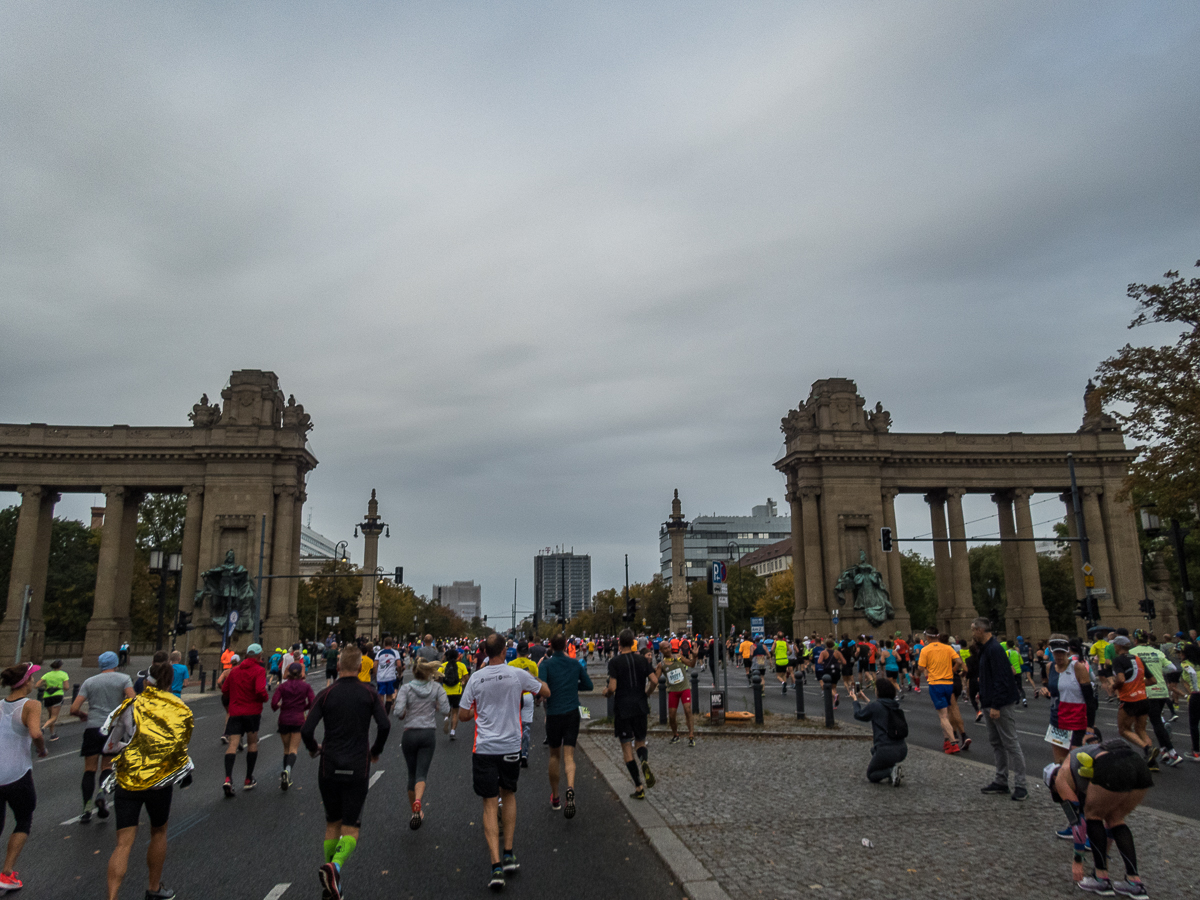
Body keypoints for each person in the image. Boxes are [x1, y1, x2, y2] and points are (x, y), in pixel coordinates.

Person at [456, 632, 549, 890]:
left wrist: (478, 711)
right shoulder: (516, 674)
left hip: (484, 746)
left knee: (488, 804)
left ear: (484, 651)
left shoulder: (476, 678)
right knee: (508, 795)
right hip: (510, 745)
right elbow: (546, 691)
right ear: (505, 651)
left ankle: (495, 866)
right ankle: (509, 853)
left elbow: (463, 715)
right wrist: (533, 679)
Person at [302, 645, 390, 900]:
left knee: (332, 823)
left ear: (338, 666)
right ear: (362, 667)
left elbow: (307, 729)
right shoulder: (369, 694)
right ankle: (335, 867)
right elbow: (384, 724)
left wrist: (313, 748)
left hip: (328, 765)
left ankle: (332, 882)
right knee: (351, 827)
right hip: (357, 765)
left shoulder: (326, 693)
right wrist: (375, 750)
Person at [103, 659, 194, 900]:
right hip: (159, 781)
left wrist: (131, 747)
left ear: (145, 681)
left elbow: (110, 746)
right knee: (158, 832)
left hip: (128, 778)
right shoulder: (180, 708)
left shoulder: (130, 706)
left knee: (123, 843)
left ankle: (112, 897)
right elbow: (180, 747)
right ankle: (154, 888)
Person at [1048, 739, 1153, 896]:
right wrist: (1104, 851)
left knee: (1093, 815)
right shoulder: (1077, 764)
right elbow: (1108, 829)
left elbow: (1078, 822)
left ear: (1052, 782)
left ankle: (1100, 878)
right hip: (1139, 767)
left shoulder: (1061, 778)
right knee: (1115, 819)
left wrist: (1078, 861)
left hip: (1112, 765)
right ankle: (1134, 882)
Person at [69, 651, 134, 822]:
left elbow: (73, 709)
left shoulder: (89, 682)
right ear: (115, 664)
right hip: (114, 728)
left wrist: (83, 715)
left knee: (89, 769)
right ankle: (101, 795)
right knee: (107, 767)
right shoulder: (124, 679)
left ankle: (86, 809)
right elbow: (132, 700)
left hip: (93, 727)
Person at [0, 663, 48, 892]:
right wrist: (41, 749)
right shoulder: (31, 705)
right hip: (17, 774)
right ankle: (7, 873)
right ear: (26, 682)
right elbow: (36, 732)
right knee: (23, 819)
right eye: (32, 678)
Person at [539, 632, 593, 817]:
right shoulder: (574, 663)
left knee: (554, 756)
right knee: (569, 755)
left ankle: (555, 797)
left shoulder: (546, 664)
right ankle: (570, 788)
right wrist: (572, 685)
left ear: (551, 646)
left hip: (554, 713)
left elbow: (542, 688)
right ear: (566, 645)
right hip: (572, 712)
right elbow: (589, 685)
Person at [972, 618, 1026, 800]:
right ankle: (1001, 780)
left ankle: (1021, 786)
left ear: (980, 630)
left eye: (973, 630)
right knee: (996, 743)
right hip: (989, 702)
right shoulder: (986, 649)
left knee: (1011, 743)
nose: (972, 633)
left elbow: (1003, 679)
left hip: (999, 704)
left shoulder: (994, 649)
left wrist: (995, 705)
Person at [603, 629, 658, 801]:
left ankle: (639, 787)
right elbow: (655, 680)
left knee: (626, 747)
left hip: (623, 708)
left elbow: (612, 687)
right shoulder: (643, 660)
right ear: (634, 643)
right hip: (640, 706)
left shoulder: (615, 662)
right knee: (640, 742)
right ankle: (644, 761)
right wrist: (647, 693)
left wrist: (606, 692)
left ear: (619, 644)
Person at [394, 658, 450, 830]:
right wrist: (436, 706)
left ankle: (415, 811)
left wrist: (405, 713)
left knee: (411, 774)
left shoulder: (406, 688)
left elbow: (398, 712)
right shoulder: (436, 688)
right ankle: (419, 800)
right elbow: (447, 710)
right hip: (428, 733)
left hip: (409, 733)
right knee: (421, 774)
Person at [1037, 634, 1094, 764]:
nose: (1059, 656)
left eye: (1062, 652)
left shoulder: (1077, 667)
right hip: (1057, 721)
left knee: (1076, 765)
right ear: (1051, 651)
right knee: (1060, 765)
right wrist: (1045, 690)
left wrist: (1090, 727)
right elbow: (1051, 689)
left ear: (1067, 651)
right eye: (1056, 652)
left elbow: (1090, 699)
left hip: (1076, 723)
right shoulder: (1049, 667)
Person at [221, 642, 269, 796]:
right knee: (252, 743)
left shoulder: (234, 671)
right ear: (259, 655)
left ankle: (228, 778)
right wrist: (264, 698)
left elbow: (224, 689)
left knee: (232, 745)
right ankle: (248, 778)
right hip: (252, 712)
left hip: (235, 712)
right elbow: (260, 690)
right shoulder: (259, 670)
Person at [1129, 631, 1182, 768]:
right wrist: (1158, 670)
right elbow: (1172, 668)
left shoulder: (1133, 652)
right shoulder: (1156, 652)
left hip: (1147, 690)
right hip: (1161, 690)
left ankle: (1173, 753)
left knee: (1155, 723)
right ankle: (1164, 751)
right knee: (1156, 720)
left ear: (1135, 640)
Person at [917, 631, 969, 755]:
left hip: (936, 683)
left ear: (928, 637)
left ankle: (953, 742)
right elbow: (959, 661)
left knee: (943, 716)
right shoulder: (947, 647)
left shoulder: (926, 649)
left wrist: (924, 669)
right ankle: (947, 741)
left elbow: (920, 667)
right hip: (948, 683)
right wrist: (953, 669)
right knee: (947, 712)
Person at [852, 678, 906, 786]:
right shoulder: (895, 704)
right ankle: (892, 769)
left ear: (879, 691)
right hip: (902, 750)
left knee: (871, 775)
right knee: (873, 750)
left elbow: (859, 715)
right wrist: (864, 698)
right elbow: (879, 707)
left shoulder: (876, 707)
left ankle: (891, 771)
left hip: (885, 749)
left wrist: (855, 700)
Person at [1111, 636, 1155, 767]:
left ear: (1118, 646)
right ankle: (1152, 761)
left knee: (1123, 730)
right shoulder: (1138, 659)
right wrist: (1138, 685)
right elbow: (1153, 680)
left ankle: (1147, 749)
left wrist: (1113, 687)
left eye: (1114, 645)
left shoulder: (1118, 660)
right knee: (1141, 729)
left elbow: (1121, 679)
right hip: (1143, 699)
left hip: (1129, 699)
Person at [272, 662, 315, 790]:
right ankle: (288, 771)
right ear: (301, 673)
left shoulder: (282, 687)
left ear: (289, 673)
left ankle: (286, 774)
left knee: (286, 749)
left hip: (284, 719)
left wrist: (280, 706)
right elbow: (312, 702)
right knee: (293, 750)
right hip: (298, 719)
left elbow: (274, 703)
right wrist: (304, 707)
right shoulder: (305, 687)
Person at [656, 640, 696, 746]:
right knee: (672, 716)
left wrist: (695, 656)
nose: (668, 649)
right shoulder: (662, 665)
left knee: (688, 710)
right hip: (673, 691)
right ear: (661, 651)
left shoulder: (678, 657)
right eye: (665, 648)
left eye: (669, 647)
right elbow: (655, 679)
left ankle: (691, 736)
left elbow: (691, 664)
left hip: (684, 689)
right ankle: (675, 735)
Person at [508, 642, 540, 767]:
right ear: (527, 653)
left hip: (515, 696)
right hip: (527, 695)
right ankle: (525, 753)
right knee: (526, 726)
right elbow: (535, 681)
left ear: (517, 652)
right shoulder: (532, 665)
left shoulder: (511, 665)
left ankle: (515, 751)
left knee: (514, 725)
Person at [439, 648, 470, 739]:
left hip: (445, 691)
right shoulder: (461, 665)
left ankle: (446, 718)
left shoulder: (444, 665)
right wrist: (463, 682)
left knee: (447, 709)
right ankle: (452, 731)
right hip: (457, 691)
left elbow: (437, 676)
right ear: (457, 656)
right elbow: (467, 678)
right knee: (455, 712)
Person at [35, 659, 68, 741]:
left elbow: (37, 685)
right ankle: (42, 728)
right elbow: (67, 687)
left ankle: (53, 735)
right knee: (54, 717)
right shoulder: (63, 674)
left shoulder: (47, 674)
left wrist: (46, 686)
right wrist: (59, 687)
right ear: (60, 666)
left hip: (47, 696)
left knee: (50, 716)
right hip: (57, 696)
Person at [374, 636, 402, 715]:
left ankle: (381, 712)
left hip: (381, 677)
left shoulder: (379, 653)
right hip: (391, 676)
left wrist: (375, 674)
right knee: (389, 696)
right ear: (392, 643)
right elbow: (399, 664)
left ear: (384, 644)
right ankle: (386, 713)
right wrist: (399, 673)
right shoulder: (395, 652)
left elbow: (375, 665)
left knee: (381, 695)